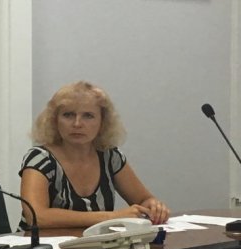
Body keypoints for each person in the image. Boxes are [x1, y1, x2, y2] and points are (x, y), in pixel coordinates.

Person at [19, 81, 169, 229]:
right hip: (39, 244)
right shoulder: (40, 159)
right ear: (54, 120)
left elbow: (143, 200)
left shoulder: (110, 157)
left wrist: (154, 206)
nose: (77, 124)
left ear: (103, 122)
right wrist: (111, 217)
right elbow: (36, 216)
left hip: (96, 243)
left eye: (88, 116)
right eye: (68, 115)